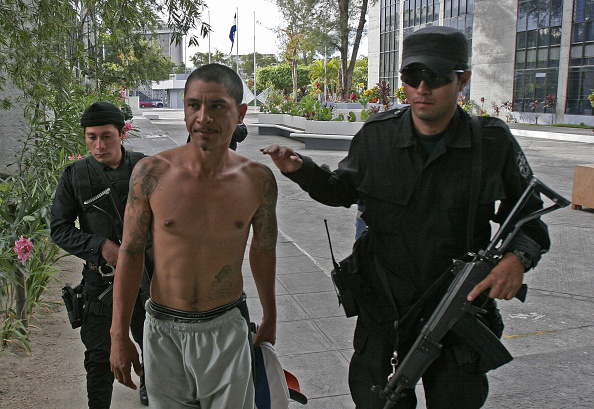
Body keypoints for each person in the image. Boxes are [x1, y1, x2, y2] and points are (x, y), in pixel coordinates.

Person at [262, 26, 550, 409]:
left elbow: (529, 215)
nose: (422, 88)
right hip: (384, 311)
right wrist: (300, 168)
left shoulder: (491, 142)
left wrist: (517, 258)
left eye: (435, 77)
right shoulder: (378, 136)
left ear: (462, 79)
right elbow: (340, 191)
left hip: (456, 311)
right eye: (412, 77)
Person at [110, 63, 278, 409]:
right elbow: (130, 253)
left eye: (217, 105)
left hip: (226, 328)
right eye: (193, 105)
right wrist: (119, 332)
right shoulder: (151, 174)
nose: (203, 117)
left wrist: (271, 314)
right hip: (163, 330)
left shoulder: (258, 181)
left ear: (240, 112)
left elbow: (263, 250)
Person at [50, 101, 151, 408]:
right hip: (101, 283)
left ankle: (151, 386)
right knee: (98, 358)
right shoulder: (75, 176)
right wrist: (101, 247)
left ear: (122, 133)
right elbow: (60, 229)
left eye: (106, 136)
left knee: (155, 347)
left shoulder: (144, 168)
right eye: (91, 137)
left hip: (148, 280)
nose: (99, 145)